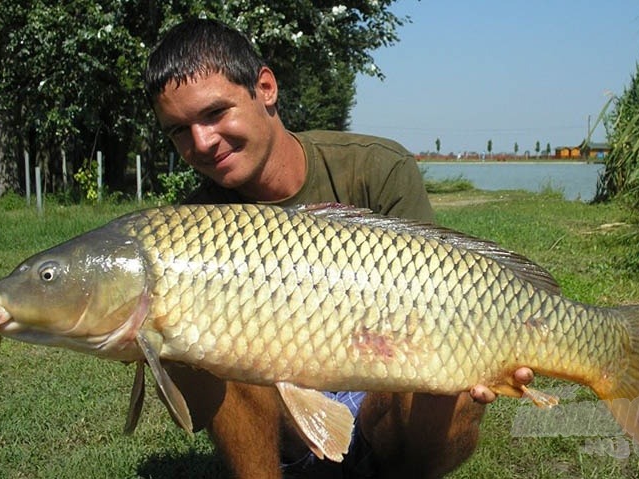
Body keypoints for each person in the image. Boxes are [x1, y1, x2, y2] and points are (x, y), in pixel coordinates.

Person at [144, 18, 534, 478]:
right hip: (279, 414)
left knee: (450, 374)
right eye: (178, 131)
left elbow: (433, 299)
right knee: (207, 338)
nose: (202, 142)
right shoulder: (189, 234)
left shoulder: (376, 166)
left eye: (214, 113)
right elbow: (197, 408)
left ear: (265, 88)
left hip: (379, 390)